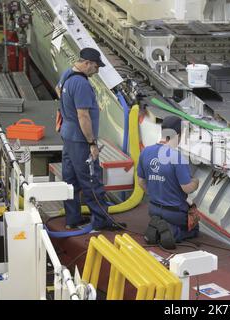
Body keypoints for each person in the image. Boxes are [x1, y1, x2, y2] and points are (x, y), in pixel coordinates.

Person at [55, 47, 124, 231]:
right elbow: (83, 116)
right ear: (86, 63)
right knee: (91, 179)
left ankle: (73, 219)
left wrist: (66, 108)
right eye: (95, 66)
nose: (97, 70)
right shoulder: (82, 85)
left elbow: (58, 90)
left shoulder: (67, 74)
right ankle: (102, 221)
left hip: (68, 135)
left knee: (70, 179)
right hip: (80, 140)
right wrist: (92, 143)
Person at [137, 116, 199, 249]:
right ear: (178, 135)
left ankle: (158, 226)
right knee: (195, 228)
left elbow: (141, 182)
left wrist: (154, 193)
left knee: (162, 216)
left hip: (153, 208)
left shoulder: (146, 152)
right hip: (174, 213)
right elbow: (187, 188)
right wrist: (196, 182)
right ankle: (172, 233)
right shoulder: (177, 157)